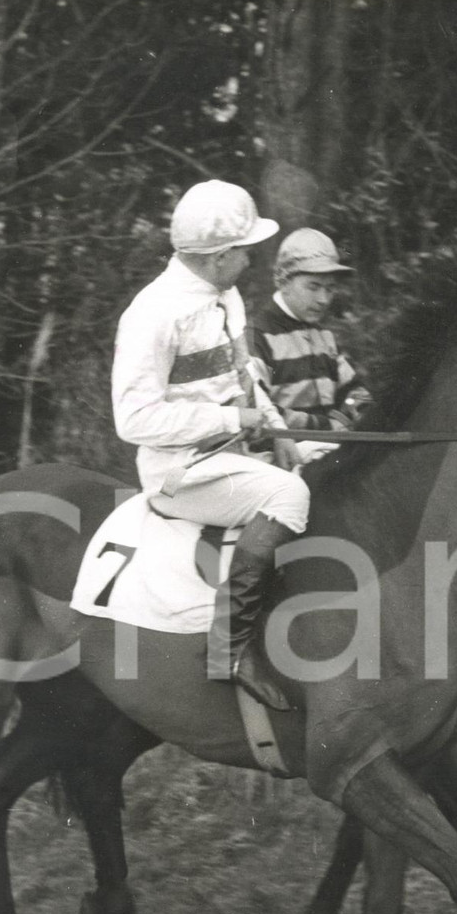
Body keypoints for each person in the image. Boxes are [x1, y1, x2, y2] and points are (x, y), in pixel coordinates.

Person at [111, 180, 309, 712]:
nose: (251, 259)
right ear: (220, 257)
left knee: (323, 464)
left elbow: (245, 376)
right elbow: (133, 419)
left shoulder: (226, 295)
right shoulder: (152, 313)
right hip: (182, 472)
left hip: (236, 454)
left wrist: (279, 430)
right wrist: (231, 418)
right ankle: (229, 650)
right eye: (245, 250)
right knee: (289, 496)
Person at [249, 228, 371, 460]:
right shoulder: (257, 335)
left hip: (328, 454)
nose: (323, 299)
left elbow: (357, 393)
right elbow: (258, 407)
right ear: (283, 281)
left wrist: (344, 418)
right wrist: (327, 426)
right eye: (313, 287)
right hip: (280, 460)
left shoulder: (323, 334)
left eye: (330, 288)